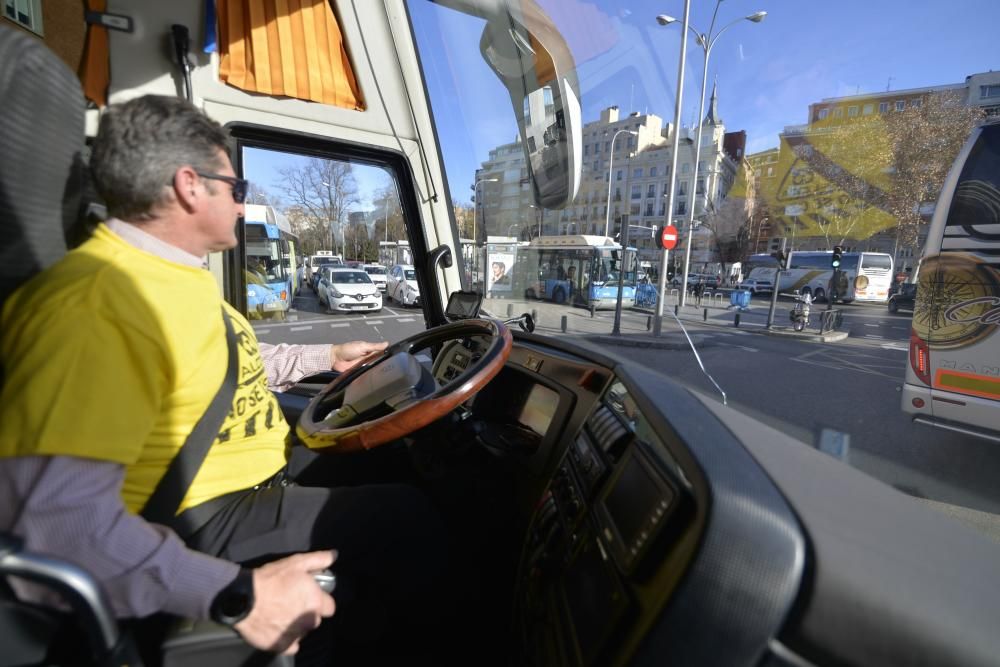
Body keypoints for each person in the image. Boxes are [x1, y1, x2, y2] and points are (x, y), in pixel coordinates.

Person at [0, 95, 449, 660]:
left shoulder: (163, 276)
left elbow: (229, 356)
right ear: (191, 186)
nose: (242, 206)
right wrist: (237, 595)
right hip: (200, 511)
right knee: (409, 522)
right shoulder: (95, 306)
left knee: (394, 459)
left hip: (243, 475)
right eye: (237, 191)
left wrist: (328, 354)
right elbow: (58, 526)